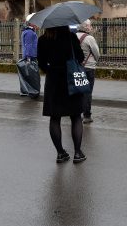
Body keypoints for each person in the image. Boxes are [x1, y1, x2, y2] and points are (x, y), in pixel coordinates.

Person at [38, 26, 87, 164]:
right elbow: (81, 57)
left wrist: (51, 69)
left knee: (54, 117)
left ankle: (60, 153)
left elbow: (41, 62)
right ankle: (77, 153)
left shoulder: (42, 40)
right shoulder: (71, 38)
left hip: (53, 81)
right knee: (76, 116)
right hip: (70, 79)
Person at [76, 19, 101, 123]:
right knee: (87, 92)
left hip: (77, 68)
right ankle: (87, 115)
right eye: (90, 26)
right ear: (86, 27)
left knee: (78, 91)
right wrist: (95, 61)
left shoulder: (73, 36)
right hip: (88, 68)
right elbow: (97, 53)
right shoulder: (89, 38)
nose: (91, 27)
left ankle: (76, 113)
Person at [20, 13, 39, 96]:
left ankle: (28, 90)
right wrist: (28, 58)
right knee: (32, 76)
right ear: (31, 23)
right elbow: (29, 46)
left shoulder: (27, 31)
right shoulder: (30, 33)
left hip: (29, 56)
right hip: (30, 57)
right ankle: (32, 91)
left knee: (28, 75)